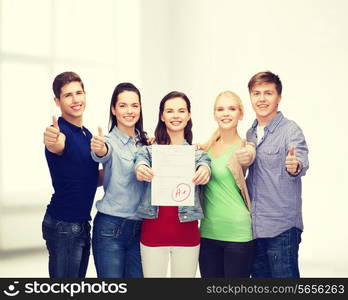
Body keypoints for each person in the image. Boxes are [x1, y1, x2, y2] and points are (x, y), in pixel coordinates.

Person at [134, 91, 211, 277]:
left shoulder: (198, 154)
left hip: (187, 236)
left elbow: (205, 165)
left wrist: (204, 171)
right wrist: (141, 169)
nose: (176, 116)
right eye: (170, 111)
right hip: (152, 235)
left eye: (181, 111)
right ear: (162, 116)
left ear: (189, 115)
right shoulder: (148, 151)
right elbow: (139, 162)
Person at [246, 71, 309, 278]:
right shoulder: (250, 133)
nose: (262, 99)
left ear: (278, 97)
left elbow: (300, 160)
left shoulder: (290, 130)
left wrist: (295, 165)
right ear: (250, 97)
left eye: (268, 93)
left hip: (281, 230)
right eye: (256, 93)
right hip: (255, 229)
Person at [42, 71, 102, 278]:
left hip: (82, 225)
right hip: (64, 225)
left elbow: (88, 178)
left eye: (79, 93)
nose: (76, 99)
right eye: (68, 95)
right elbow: (56, 144)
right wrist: (52, 139)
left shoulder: (87, 135)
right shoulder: (58, 132)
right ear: (57, 101)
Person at [90, 82, 149, 278]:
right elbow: (102, 153)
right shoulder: (108, 141)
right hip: (110, 228)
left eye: (135, 105)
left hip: (141, 229)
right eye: (123, 105)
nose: (130, 111)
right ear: (114, 109)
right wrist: (99, 149)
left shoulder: (147, 143)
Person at [199, 91, 256, 278]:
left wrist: (248, 155)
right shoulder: (204, 149)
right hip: (208, 233)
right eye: (220, 109)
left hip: (238, 234)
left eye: (232, 109)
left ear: (241, 114)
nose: (226, 113)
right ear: (214, 114)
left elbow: (249, 156)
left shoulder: (245, 147)